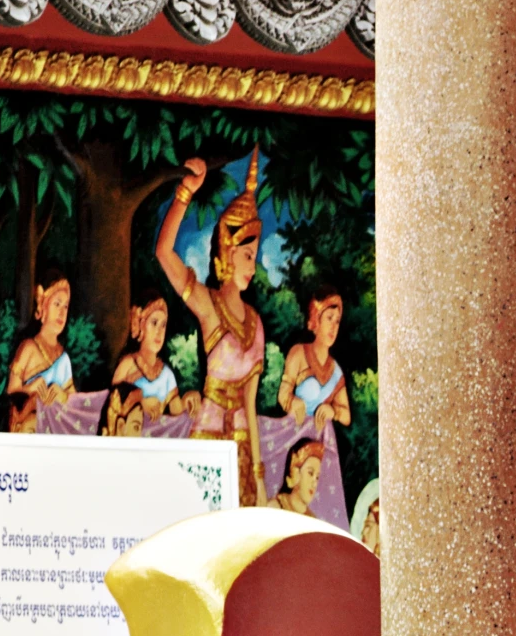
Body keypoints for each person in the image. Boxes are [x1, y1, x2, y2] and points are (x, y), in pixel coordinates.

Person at [158, 151, 269, 506]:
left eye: (255, 255)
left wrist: (258, 476)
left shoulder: (256, 323)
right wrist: (185, 194)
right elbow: (164, 253)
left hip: (241, 451)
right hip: (206, 436)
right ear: (227, 251)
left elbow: (250, 404)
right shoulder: (208, 304)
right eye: (248, 255)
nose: (254, 264)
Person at [6, 268, 76, 434]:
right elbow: (11, 393)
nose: (61, 312)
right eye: (56, 304)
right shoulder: (28, 347)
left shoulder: (63, 358)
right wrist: (30, 389)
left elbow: (76, 403)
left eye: (65, 306)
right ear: (42, 305)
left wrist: (63, 396)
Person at [282, 285, 353, 431]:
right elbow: (283, 394)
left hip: (320, 437)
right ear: (316, 320)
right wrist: (292, 402)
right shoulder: (298, 353)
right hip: (292, 431)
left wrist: (333, 412)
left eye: (337, 321)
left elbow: (346, 416)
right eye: (329, 318)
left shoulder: (336, 371)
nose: (333, 327)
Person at [111, 295, 186, 420]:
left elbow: (177, 414)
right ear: (140, 324)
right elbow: (113, 402)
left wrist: (189, 398)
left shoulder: (167, 374)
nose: (159, 332)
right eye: (154, 323)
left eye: (163, 325)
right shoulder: (128, 365)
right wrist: (140, 403)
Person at [273, 437, 324, 515]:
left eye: (317, 477)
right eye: (310, 473)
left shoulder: (312, 521)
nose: (315, 484)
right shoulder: (275, 507)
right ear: (295, 472)